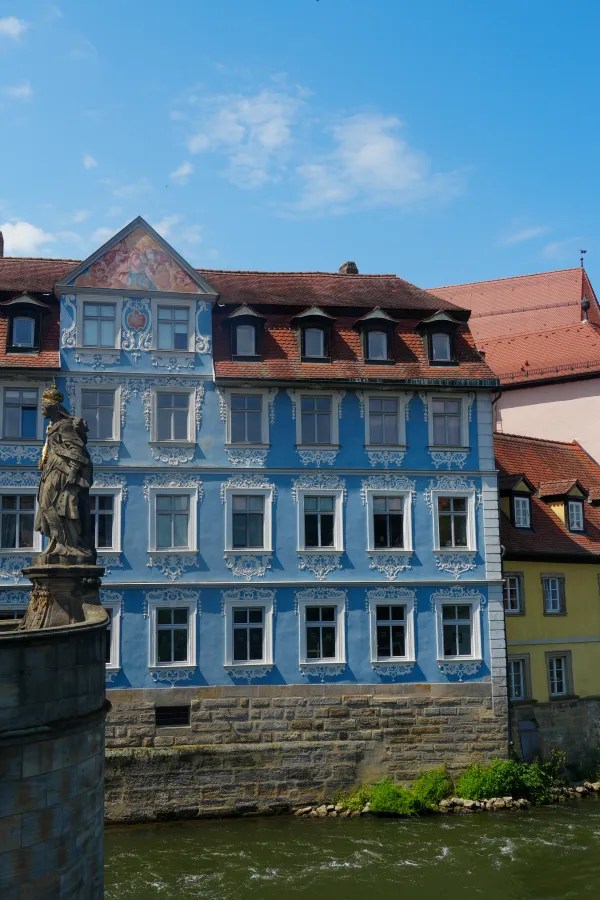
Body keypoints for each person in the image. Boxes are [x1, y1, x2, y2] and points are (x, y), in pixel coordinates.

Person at [35, 383, 96, 564]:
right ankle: (56, 542)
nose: (41, 409)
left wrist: (74, 472)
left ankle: (68, 544)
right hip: (51, 469)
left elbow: (77, 450)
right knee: (46, 505)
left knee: (57, 506)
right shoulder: (53, 426)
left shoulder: (64, 426)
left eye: (44, 406)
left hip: (62, 471)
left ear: (52, 407)